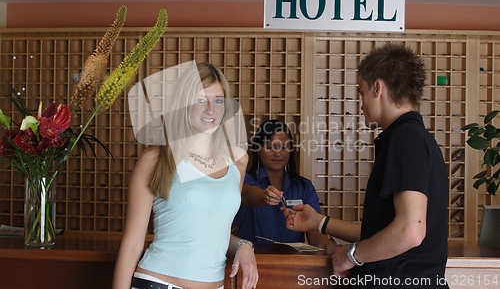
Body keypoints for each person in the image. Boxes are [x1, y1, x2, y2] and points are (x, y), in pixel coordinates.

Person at [285, 43, 449, 288]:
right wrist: (319, 222)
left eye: (361, 92)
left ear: (378, 88)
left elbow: (410, 231)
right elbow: (383, 231)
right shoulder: (412, 138)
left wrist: (351, 255)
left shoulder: (406, 139)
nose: (360, 103)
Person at [113, 63, 259, 289]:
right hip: (159, 282)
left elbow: (213, 229)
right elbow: (132, 243)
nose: (210, 109)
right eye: (200, 100)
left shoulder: (238, 161)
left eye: (218, 100)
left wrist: (243, 246)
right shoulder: (156, 158)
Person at [235, 119, 328, 246]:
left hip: (293, 262)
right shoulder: (244, 180)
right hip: (253, 260)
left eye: (284, 147)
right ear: (258, 149)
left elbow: (317, 237)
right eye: (270, 147)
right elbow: (246, 194)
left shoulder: (304, 187)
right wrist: (265, 196)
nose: (277, 153)